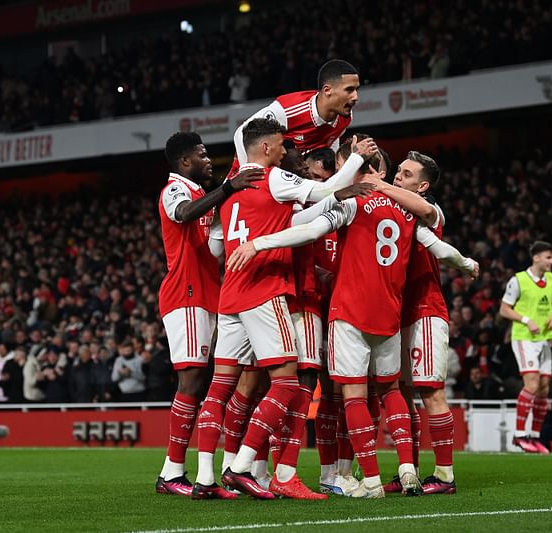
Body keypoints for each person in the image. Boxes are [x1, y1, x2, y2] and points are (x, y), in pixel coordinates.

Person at [226, 151, 479, 498]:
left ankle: (372, 480)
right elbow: (440, 249)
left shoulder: (356, 203)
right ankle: (407, 467)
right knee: (392, 392)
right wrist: (467, 264)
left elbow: (309, 230)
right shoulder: (409, 212)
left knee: (354, 395)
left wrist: (258, 241)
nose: (396, 178)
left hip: (350, 312)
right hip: (390, 316)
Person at [194, 118, 378, 500]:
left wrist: (335, 201)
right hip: (265, 290)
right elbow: (325, 188)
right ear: (265, 148)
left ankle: (205, 477)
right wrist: (356, 159)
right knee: (288, 382)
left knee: (219, 390)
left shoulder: (230, 192)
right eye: (280, 145)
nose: (286, 152)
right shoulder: (271, 178)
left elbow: (285, 222)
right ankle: (243, 466)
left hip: (230, 293)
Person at [153, 131, 262, 498]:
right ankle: (172, 471)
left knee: (199, 382)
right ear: (185, 162)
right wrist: (230, 188)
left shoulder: (202, 195)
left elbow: (212, 246)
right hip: (184, 294)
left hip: (204, 294)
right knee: (192, 383)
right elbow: (182, 214)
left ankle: (174, 470)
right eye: (201, 155)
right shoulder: (175, 190)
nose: (206, 161)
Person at [379, 151, 457, 495]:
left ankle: (445, 475)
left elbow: (426, 212)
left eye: (406, 174)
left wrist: (375, 183)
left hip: (426, 311)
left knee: (431, 392)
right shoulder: (394, 209)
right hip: (398, 313)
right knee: (404, 393)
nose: (398, 176)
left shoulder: (431, 210)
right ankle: (407, 470)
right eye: (397, 172)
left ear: (422, 185)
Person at [233, 59, 359, 164]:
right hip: (253, 179)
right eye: (349, 90)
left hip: (292, 182)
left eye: (356, 89)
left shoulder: (345, 117)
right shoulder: (286, 110)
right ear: (327, 91)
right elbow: (241, 132)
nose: (355, 97)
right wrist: (249, 171)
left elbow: (332, 141)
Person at [499, 241, 552, 454]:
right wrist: (526, 319)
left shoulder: (551, 279)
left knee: (544, 388)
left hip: (545, 339)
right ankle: (519, 435)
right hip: (525, 338)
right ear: (536, 258)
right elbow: (504, 309)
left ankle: (534, 437)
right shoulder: (518, 280)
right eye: (549, 257)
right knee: (532, 383)